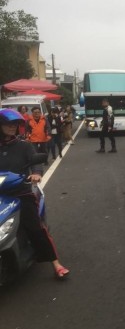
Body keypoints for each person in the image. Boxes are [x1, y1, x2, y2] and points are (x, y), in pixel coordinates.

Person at [0, 109, 69, 279]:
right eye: (8, 124)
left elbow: (35, 162)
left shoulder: (24, 145)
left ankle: (56, 263)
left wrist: (36, 173)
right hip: (2, 195)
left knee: (35, 228)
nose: (11, 127)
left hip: (21, 193)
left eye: (15, 125)